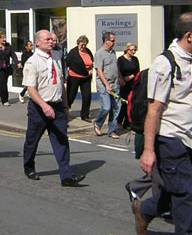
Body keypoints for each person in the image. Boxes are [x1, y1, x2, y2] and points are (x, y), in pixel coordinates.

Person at [134, 12, 192, 235]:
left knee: (172, 190)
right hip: (170, 139)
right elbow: (154, 109)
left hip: (191, 138)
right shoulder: (165, 64)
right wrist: (149, 150)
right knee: (185, 194)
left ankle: (144, 211)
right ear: (189, 35)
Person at [21, 30, 85, 187]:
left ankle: (66, 175)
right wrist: (44, 106)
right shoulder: (32, 61)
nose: (51, 41)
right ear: (38, 42)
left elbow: (61, 82)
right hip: (39, 107)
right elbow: (31, 89)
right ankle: (29, 166)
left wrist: (65, 105)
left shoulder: (57, 56)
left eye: (52, 39)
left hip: (57, 106)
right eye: (47, 39)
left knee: (62, 140)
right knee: (32, 140)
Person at [94, 31, 121, 138]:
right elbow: (99, 71)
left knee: (117, 108)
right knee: (106, 107)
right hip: (104, 85)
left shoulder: (113, 53)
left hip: (115, 84)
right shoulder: (99, 53)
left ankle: (112, 131)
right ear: (106, 41)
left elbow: (116, 67)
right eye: (112, 40)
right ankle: (98, 123)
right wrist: (107, 85)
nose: (114, 42)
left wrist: (121, 78)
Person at [66, 35, 94, 122]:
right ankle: (65, 111)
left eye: (85, 45)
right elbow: (67, 62)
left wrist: (90, 70)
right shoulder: (73, 52)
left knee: (87, 96)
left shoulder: (88, 51)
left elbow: (91, 61)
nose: (83, 47)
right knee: (71, 95)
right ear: (78, 44)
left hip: (86, 78)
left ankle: (85, 115)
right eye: (82, 45)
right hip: (74, 77)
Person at [117, 43, 140, 129]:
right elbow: (118, 71)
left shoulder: (135, 59)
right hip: (124, 84)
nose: (133, 52)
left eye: (135, 50)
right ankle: (119, 121)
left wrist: (131, 77)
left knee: (131, 103)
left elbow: (137, 71)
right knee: (125, 103)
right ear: (127, 50)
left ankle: (127, 122)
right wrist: (122, 79)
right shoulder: (121, 59)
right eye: (131, 50)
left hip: (132, 83)